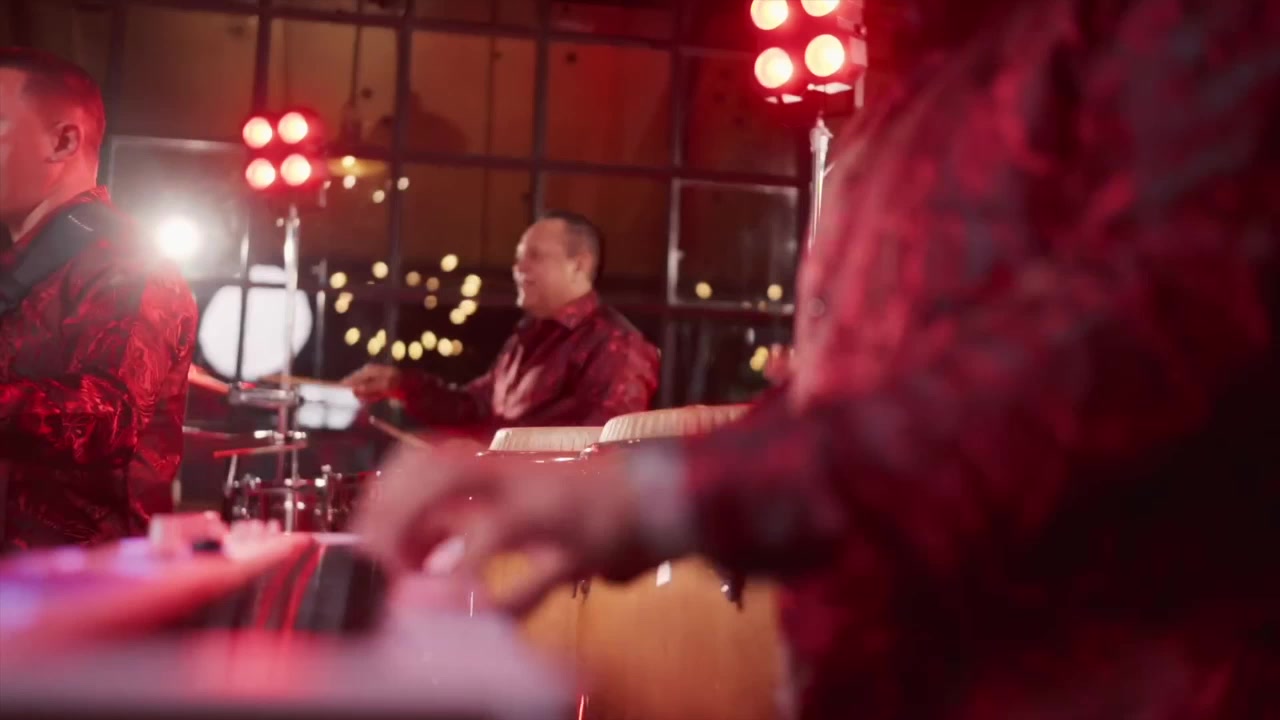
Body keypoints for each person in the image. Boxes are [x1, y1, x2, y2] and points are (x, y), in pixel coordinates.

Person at [359, 1, 1280, 718]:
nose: (519, 272)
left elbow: (1150, 335)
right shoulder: (917, 96)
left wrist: (671, 492)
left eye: (535, 258)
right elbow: (866, 400)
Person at [0, 48, 197, 550]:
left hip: (86, 580)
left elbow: (106, 420)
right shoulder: (16, 261)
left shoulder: (131, 263)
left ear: (63, 141)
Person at [343, 211, 660, 434]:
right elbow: (474, 408)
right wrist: (398, 384)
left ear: (579, 265)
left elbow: (608, 451)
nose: (517, 268)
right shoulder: (528, 336)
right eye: (519, 257)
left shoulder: (617, 345)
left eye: (535, 256)